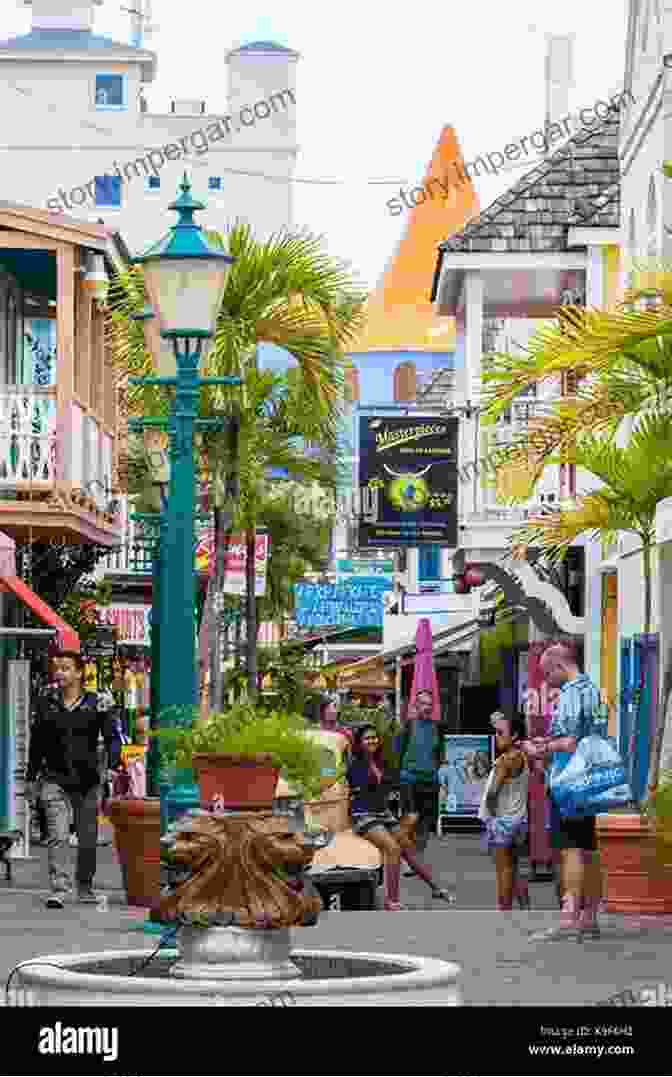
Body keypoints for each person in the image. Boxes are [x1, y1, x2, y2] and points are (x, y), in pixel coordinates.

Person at [25, 651, 123, 909]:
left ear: (79, 672)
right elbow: (37, 743)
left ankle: (84, 885)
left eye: (66, 668)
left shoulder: (97, 702)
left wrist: (112, 766)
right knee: (57, 835)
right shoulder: (47, 702)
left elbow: (113, 738)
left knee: (87, 838)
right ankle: (59, 888)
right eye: (57, 669)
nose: (60, 673)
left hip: (88, 780)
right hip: (53, 778)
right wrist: (30, 777)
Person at [529, 640, 603, 941]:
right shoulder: (593, 691)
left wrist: (541, 747)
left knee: (571, 847)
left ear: (560, 666)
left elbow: (569, 742)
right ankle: (589, 917)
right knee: (589, 847)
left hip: (569, 778)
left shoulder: (572, 695)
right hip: (591, 777)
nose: (547, 681)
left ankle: (569, 916)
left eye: (548, 674)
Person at [346, 724, 453, 910]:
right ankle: (392, 901)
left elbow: (394, 786)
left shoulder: (382, 762)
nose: (372, 741)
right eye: (367, 738)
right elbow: (350, 787)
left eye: (374, 737)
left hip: (383, 813)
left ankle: (435, 887)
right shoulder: (354, 764)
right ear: (360, 743)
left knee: (407, 846)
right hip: (363, 815)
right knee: (393, 848)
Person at [481, 712, 530, 912]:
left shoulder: (505, 761)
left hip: (503, 821)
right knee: (515, 869)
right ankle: (525, 909)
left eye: (501, 733)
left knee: (503, 869)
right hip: (519, 819)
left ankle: (503, 912)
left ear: (515, 736)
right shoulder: (522, 757)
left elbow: (493, 792)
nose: (497, 737)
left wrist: (492, 818)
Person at [397, 691, 442, 856]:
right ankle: (405, 855)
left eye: (429, 704)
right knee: (411, 817)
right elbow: (398, 751)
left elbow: (438, 753)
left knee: (425, 822)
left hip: (430, 780)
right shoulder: (408, 725)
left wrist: (438, 773)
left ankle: (418, 858)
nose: (426, 707)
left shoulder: (437, 727)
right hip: (409, 779)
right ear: (416, 706)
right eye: (423, 703)